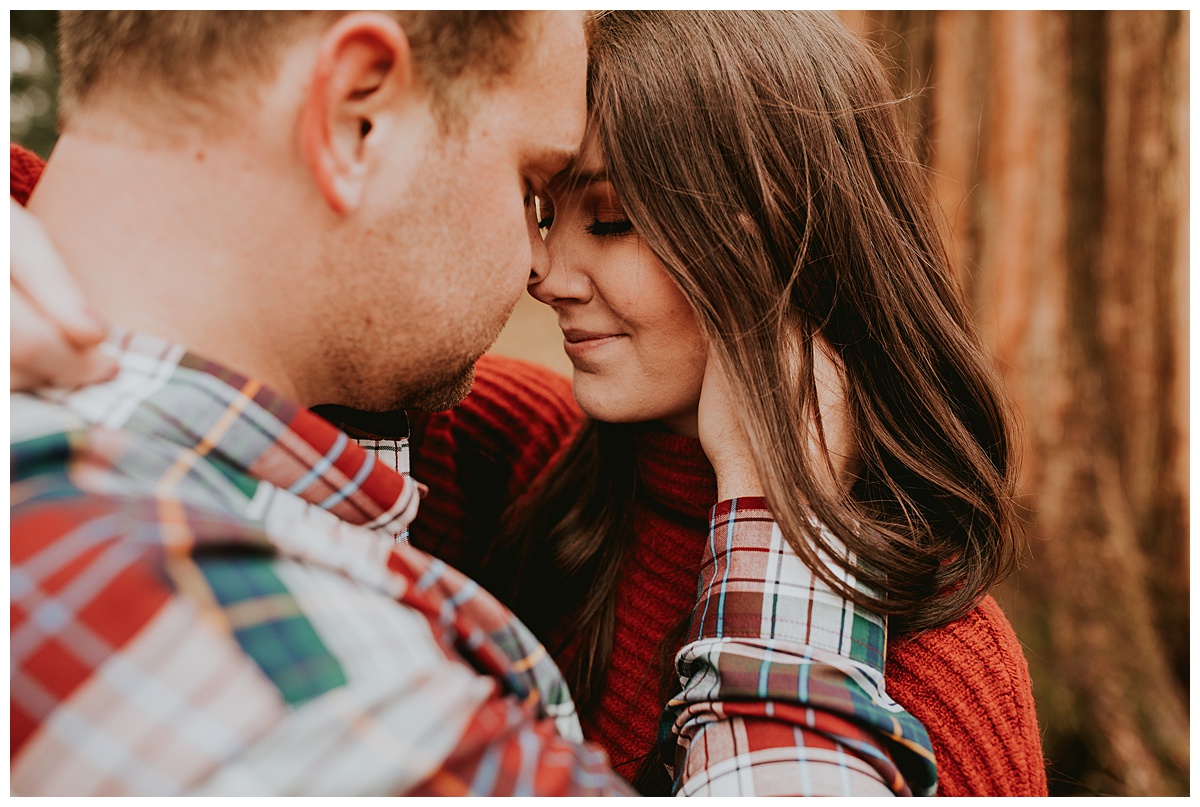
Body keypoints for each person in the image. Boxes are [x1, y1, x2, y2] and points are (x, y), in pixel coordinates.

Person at [9, 10, 936, 797]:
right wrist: (789, 540)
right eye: (533, 187)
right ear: (356, 117)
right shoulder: (306, 690)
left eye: (603, 218)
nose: (536, 266)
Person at [403, 10, 1048, 797]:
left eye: (609, 221)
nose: (544, 273)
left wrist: (771, 497)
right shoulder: (524, 454)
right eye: (545, 211)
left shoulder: (944, 673)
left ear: (773, 247)